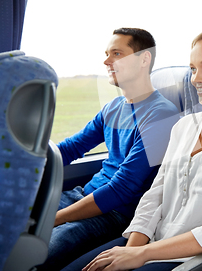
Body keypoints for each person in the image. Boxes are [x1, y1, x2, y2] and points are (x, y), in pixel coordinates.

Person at [83, 27, 202, 271]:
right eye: (193, 69)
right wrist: (132, 251)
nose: (196, 78)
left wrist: (143, 255)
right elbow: (155, 196)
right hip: (151, 244)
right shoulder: (183, 125)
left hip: (198, 258)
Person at [39, 28, 180, 270]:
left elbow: (122, 189)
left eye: (116, 53)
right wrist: (23, 168)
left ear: (144, 59)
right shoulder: (112, 107)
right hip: (83, 195)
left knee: (36, 255)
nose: (106, 61)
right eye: (107, 53)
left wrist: (54, 219)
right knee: (8, 230)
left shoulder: (161, 115)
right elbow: (71, 148)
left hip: (115, 213)